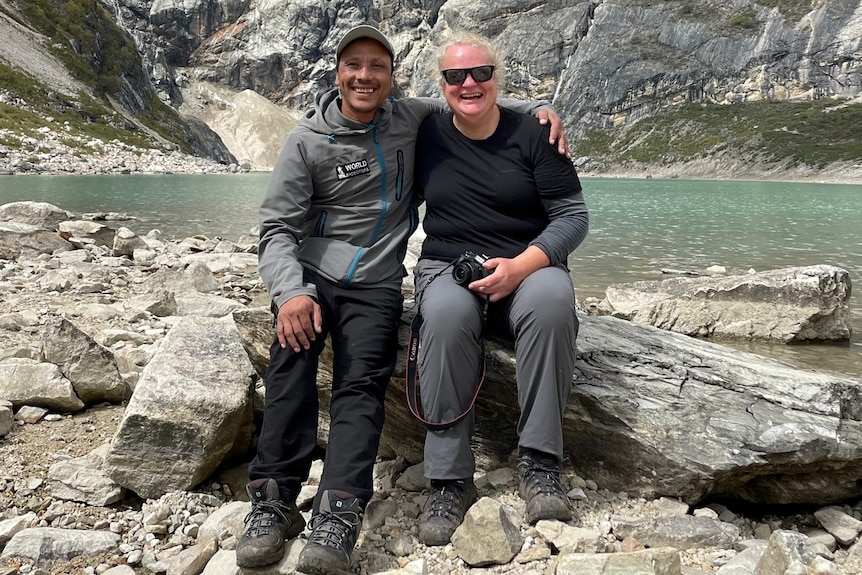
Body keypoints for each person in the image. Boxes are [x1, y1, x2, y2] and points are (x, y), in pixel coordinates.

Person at [237, 24, 570, 573]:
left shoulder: (410, 117)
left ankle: (339, 513)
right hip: (313, 276)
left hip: (376, 283)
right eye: (354, 66)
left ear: (392, 78)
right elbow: (276, 229)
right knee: (291, 364)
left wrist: (539, 108)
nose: (365, 76)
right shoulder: (306, 141)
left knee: (362, 384)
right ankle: (273, 502)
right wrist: (290, 292)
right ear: (338, 73)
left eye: (377, 67)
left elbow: (472, 96)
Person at [410, 31, 589, 547]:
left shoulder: (534, 133)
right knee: (443, 316)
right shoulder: (427, 132)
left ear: (497, 78)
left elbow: (572, 216)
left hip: (528, 265)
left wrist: (520, 266)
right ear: (441, 84)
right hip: (449, 265)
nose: (469, 84)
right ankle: (447, 480)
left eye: (481, 73)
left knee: (554, 302)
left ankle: (540, 464)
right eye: (455, 76)